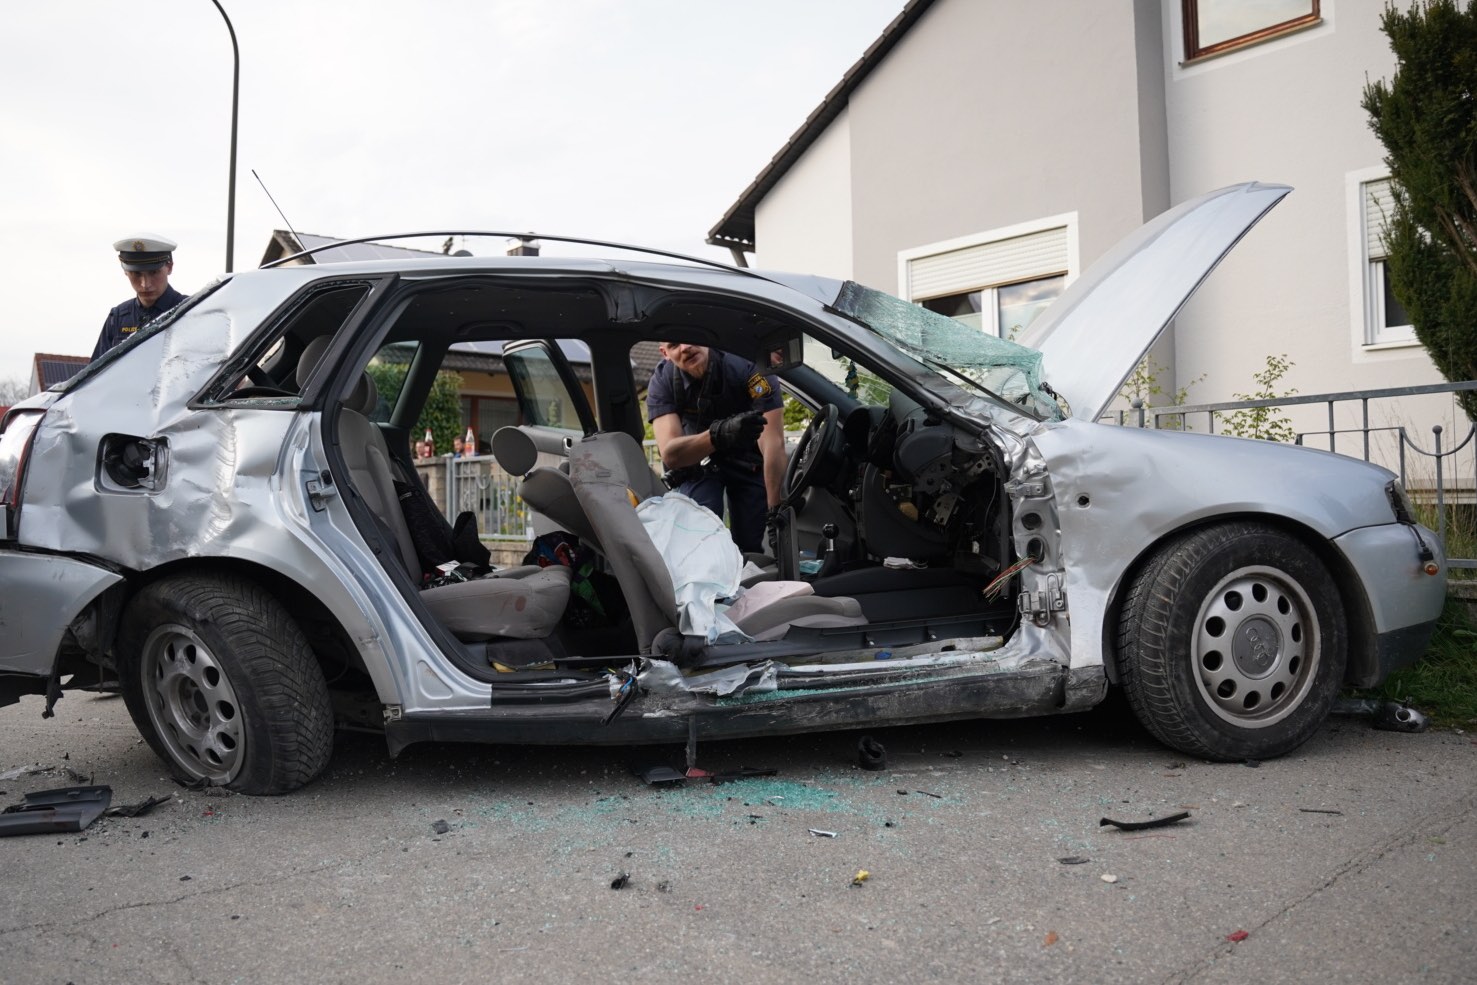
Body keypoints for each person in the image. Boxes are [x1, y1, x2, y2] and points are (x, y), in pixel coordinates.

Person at [646, 343, 785, 554]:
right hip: (698, 463)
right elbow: (671, 454)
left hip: (747, 461)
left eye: (690, 337)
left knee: (749, 547)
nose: (685, 347)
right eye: (674, 345)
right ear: (665, 353)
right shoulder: (662, 381)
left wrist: (775, 512)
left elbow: (773, 442)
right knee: (701, 541)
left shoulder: (747, 366)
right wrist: (720, 433)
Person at [91, 235, 187, 360]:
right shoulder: (118, 317)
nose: (145, 284)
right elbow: (97, 369)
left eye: (153, 272)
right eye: (136, 274)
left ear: (169, 267)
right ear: (125, 271)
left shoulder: (189, 311)